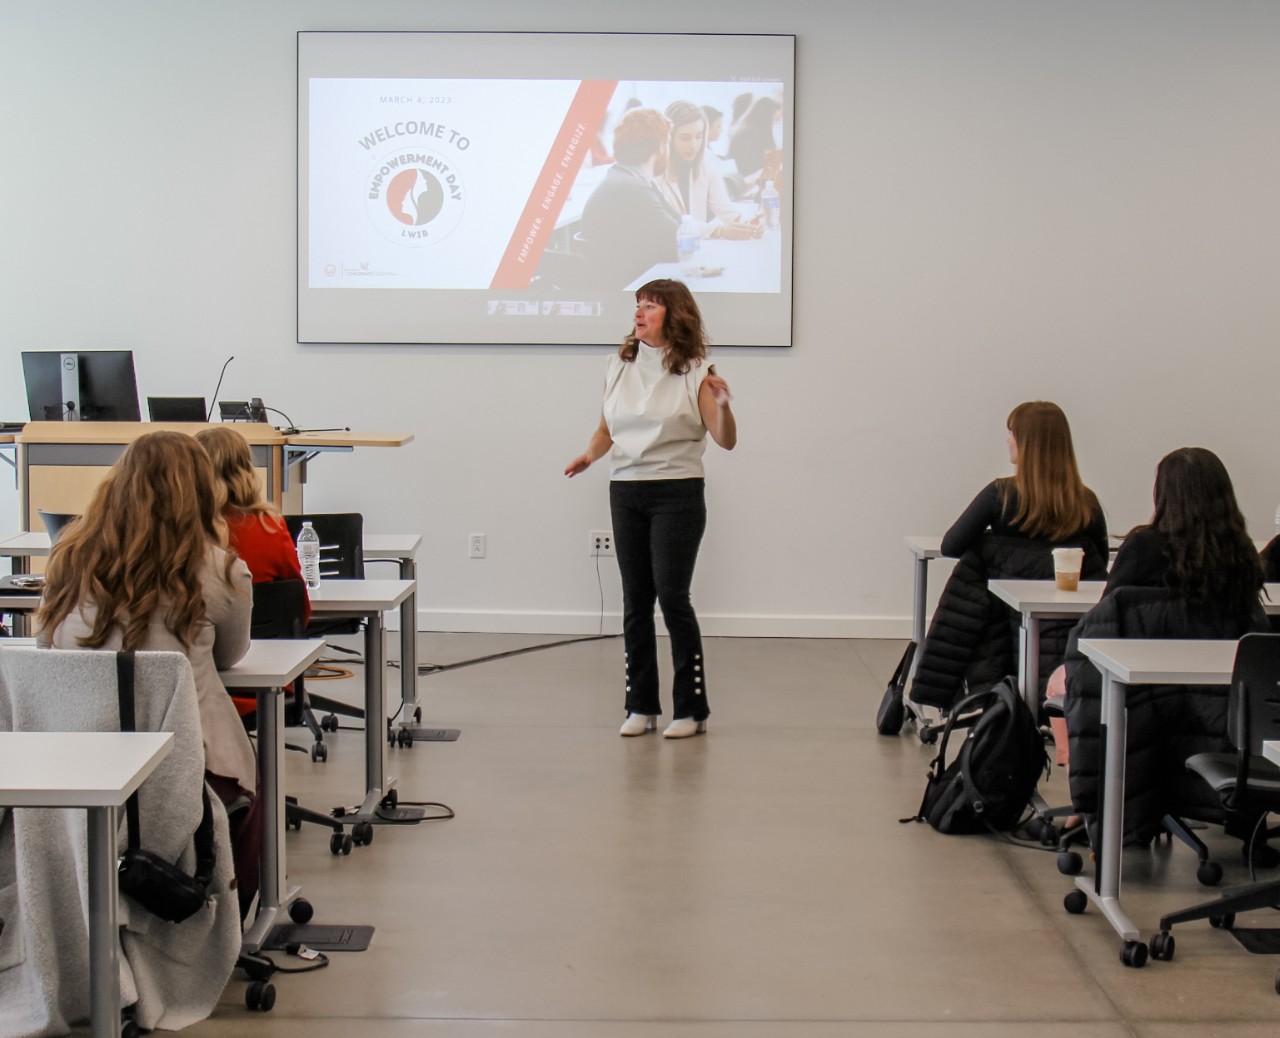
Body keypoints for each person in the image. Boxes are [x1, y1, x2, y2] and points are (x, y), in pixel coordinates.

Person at [35, 430, 260, 905]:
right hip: (187, 767)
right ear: (203, 493)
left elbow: (46, 646)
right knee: (250, 791)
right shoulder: (221, 570)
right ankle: (227, 915)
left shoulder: (68, 560)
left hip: (76, 759)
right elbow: (229, 656)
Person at [1060, 447, 1268, 843]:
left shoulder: (1142, 548)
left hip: (1141, 704)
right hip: (1220, 712)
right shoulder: (1241, 557)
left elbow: (1104, 623)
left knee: (1064, 680)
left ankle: (1088, 806)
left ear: (1163, 495)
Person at [564, 279, 736, 738]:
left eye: (651, 307)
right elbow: (606, 428)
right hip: (626, 491)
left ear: (674, 315)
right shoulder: (618, 366)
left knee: (672, 597)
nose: (639, 313)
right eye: (637, 305)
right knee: (635, 601)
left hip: (677, 492)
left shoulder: (697, 371)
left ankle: (691, 709)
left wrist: (723, 404)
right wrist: (589, 455)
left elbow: (725, 439)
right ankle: (640, 706)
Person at [910, 401, 1108, 712]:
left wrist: (990, 541)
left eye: (1012, 433)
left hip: (994, 642)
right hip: (1063, 640)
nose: (1008, 440)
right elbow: (1099, 564)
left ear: (1028, 443)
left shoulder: (999, 495)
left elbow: (952, 545)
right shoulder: (1086, 503)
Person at [194, 424, 310, 623]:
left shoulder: (180, 528)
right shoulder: (269, 527)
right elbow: (299, 605)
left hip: (200, 645)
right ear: (246, 469)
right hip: (271, 643)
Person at [580, 107, 683, 289]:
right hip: (634, 286)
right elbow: (679, 243)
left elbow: (679, 226)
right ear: (660, 147)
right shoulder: (633, 188)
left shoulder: (622, 178)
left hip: (623, 281)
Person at [661, 100, 760, 240]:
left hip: (696, 249)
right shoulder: (655, 168)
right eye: (685, 138)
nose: (694, 145)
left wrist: (749, 224)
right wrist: (719, 230)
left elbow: (725, 208)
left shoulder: (706, 160)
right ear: (669, 136)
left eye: (699, 137)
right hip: (666, 251)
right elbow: (670, 223)